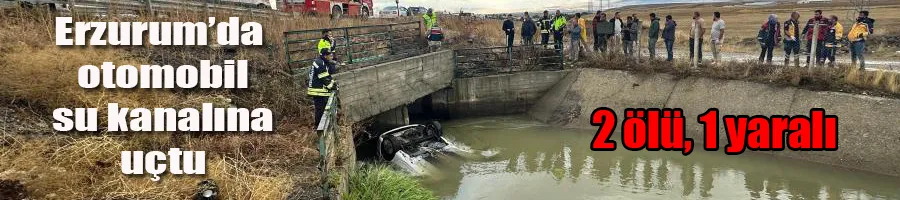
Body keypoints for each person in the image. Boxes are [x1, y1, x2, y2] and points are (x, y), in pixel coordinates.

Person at [308, 48, 337, 126]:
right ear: (325, 56)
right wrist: (333, 87)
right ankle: (318, 127)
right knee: (320, 110)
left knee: (323, 109)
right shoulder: (320, 63)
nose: (332, 56)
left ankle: (323, 125)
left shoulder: (322, 62)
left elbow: (329, 75)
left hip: (319, 89)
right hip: (317, 90)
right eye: (330, 55)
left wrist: (331, 63)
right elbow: (325, 79)